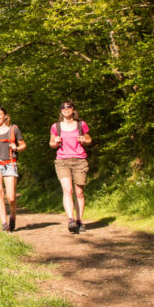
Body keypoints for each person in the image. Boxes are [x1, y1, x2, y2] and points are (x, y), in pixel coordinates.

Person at [50, 100, 92, 233]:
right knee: (68, 190)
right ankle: (71, 220)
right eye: (63, 107)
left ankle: (79, 221)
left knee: (79, 192)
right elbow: (51, 143)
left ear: (74, 110)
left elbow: (89, 139)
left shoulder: (81, 124)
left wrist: (84, 140)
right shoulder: (56, 126)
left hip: (80, 160)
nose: (66, 109)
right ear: (61, 111)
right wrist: (55, 142)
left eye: (69, 107)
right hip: (62, 161)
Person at [0, 106, 26, 232]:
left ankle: (12, 217)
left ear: (5, 116)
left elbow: (23, 145)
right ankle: (4, 223)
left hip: (10, 164)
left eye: (0, 114)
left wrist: (17, 148)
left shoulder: (14, 130)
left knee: (11, 197)